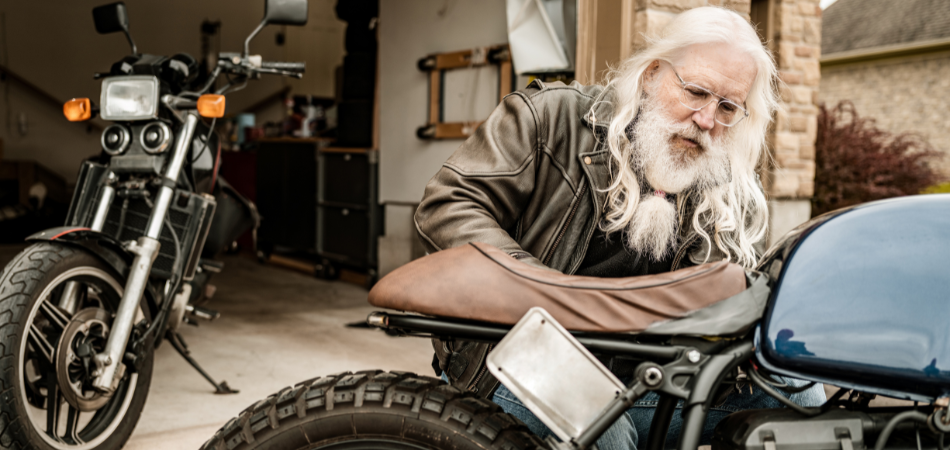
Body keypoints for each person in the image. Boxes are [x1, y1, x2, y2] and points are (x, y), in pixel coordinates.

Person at [413, 6, 825, 449]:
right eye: (695, 92)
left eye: (727, 107)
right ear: (651, 74)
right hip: (519, 358)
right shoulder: (551, 117)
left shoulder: (725, 184)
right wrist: (543, 289)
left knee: (801, 395)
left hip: (646, 381)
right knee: (603, 426)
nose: (707, 120)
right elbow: (447, 203)